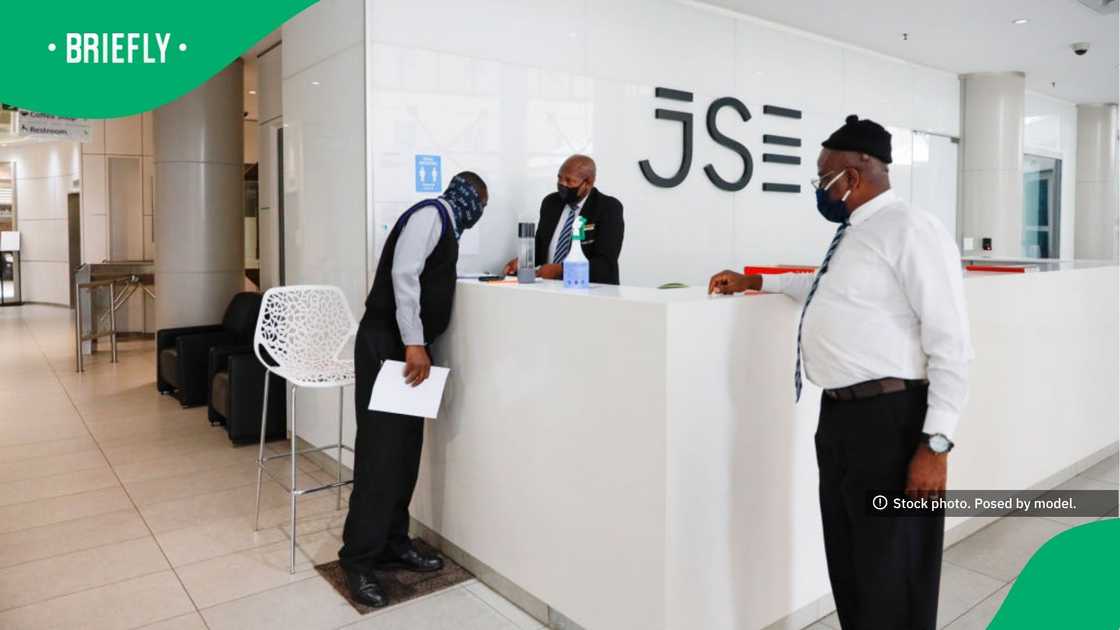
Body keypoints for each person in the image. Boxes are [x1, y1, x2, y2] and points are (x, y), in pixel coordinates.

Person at [708, 115, 972, 630]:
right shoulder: (855, 233)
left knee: (893, 570)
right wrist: (757, 281)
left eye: (822, 177)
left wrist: (935, 445)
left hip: (892, 423)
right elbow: (825, 287)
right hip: (841, 422)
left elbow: (953, 344)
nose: (819, 188)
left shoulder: (912, 230)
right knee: (852, 565)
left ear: (852, 176)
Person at [339, 172, 488, 608]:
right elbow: (404, 276)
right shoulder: (431, 215)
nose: (480, 212)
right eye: (482, 203)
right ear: (470, 197)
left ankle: (393, 543)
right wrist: (414, 343)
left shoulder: (446, 225)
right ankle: (357, 559)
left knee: (404, 453)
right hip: (390, 345)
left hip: (406, 347)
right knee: (380, 455)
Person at [502, 155, 624, 284]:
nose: (562, 184)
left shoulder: (608, 207)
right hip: (548, 287)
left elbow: (605, 263)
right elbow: (541, 246)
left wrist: (562, 270)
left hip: (591, 288)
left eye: (569, 181)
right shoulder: (550, 202)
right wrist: (523, 261)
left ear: (588, 182)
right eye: (559, 178)